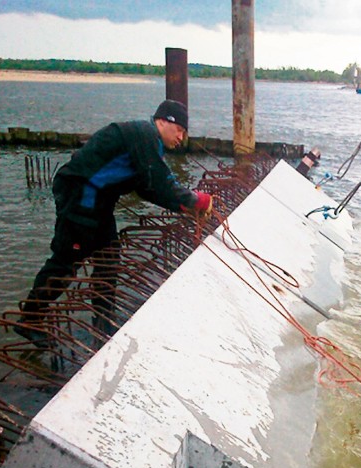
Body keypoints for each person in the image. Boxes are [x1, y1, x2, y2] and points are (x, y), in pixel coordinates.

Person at [13, 99, 212, 348]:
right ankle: (30, 319)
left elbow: (148, 187)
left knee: (109, 259)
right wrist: (196, 200)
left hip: (100, 203)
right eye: (180, 130)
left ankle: (103, 324)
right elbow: (160, 183)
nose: (181, 138)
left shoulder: (148, 143)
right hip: (80, 198)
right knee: (66, 260)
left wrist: (184, 205)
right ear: (163, 121)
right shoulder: (145, 135)